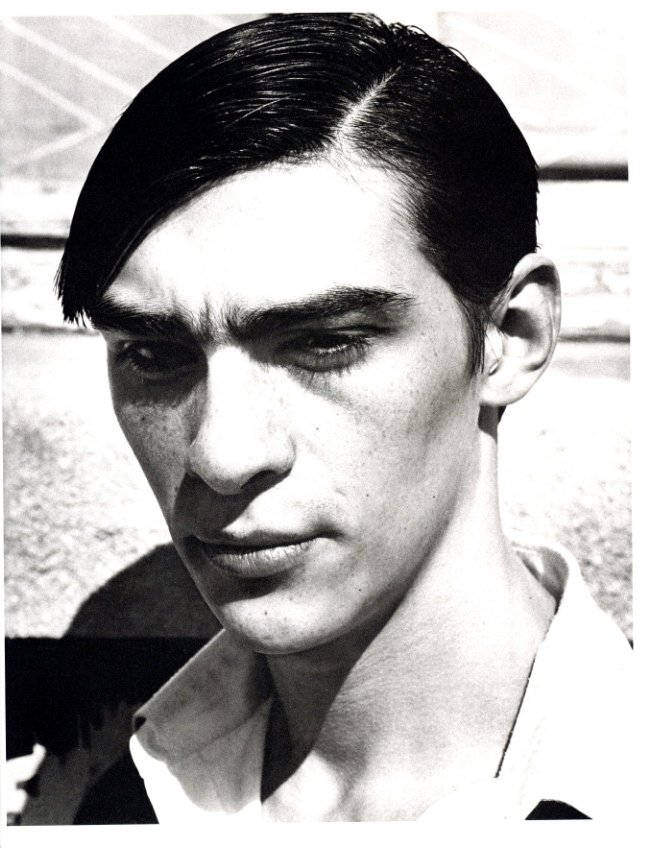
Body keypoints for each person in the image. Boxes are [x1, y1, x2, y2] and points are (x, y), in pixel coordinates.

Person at [55, 13, 632, 822]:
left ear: (510, 337)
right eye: (153, 354)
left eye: (324, 343)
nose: (221, 453)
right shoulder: (119, 797)